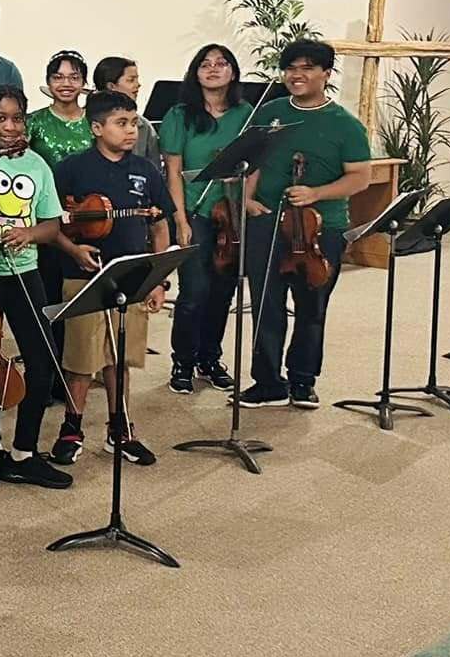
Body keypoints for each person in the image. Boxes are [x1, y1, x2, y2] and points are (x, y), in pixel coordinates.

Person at [0, 85, 98, 489]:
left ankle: (24, 452)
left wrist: (28, 234)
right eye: (1, 118)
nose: (11, 127)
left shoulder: (37, 166)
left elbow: (52, 225)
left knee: (43, 359)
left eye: (18, 118)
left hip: (24, 271)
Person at [237, 39, 372, 409]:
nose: (297, 75)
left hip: (321, 226)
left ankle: (302, 380)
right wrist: (247, 198)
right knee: (266, 303)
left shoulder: (345, 125)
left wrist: (316, 194)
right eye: (291, 68)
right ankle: (267, 381)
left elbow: (360, 177)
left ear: (326, 74)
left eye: (308, 68)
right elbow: (253, 162)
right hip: (268, 219)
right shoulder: (272, 111)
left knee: (312, 305)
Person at [48, 90, 175, 467]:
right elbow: (54, 223)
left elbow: (160, 223)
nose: (131, 131)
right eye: (121, 123)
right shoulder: (72, 168)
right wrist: (74, 251)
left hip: (132, 277)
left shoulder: (146, 170)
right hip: (84, 274)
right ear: (97, 127)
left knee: (120, 358)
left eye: (133, 123)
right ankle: (71, 428)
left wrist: (156, 280)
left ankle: (120, 428)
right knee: (81, 359)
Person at [159, 44, 249, 395]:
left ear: (233, 72)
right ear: (194, 72)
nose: (213, 69)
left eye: (221, 63)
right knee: (194, 291)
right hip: (195, 211)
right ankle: (182, 361)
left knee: (223, 290)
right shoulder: (180, 115)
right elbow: (173, 172)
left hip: (231, 214)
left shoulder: (246, 114)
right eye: (205, 64)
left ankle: (210, 359)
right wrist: (180, 220)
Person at [93, 55, 164, 166]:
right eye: (131, 80)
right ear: (111, 86)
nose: (138, 85)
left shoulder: (144, 126)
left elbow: (154, 168)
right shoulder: (84, 121)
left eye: (137, 79)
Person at [28, 50, 92, 168]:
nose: (66, 84)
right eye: (58, 77)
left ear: (83, 82)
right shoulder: (33, 121)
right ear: (48, 82)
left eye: (74, 78)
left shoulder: (95, 121)